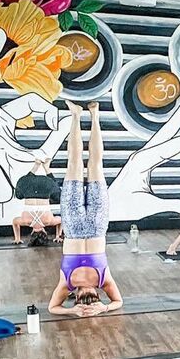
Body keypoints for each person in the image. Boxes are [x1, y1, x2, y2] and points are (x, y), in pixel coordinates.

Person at [48, 102, 123, 317]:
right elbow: (119, 301)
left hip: (73, 226)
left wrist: (73, 313)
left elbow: (52, 308)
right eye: (93, 301)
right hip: (96, 226)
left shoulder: (66, 284)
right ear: (98, 295)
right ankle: (94, 115)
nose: (88, 302)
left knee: (75, 163)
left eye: (84, 303)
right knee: (94, 165)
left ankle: (76, 115)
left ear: (77, 299)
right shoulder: (104, 280)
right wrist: (105, 308)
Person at [12, 159, 62, 245]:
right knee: (19, 194)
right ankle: (36, 166)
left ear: (45, 233)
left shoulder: (49, 221)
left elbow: (61, 220)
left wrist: (58, 235)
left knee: (58, 197)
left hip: (46, 184)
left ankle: (46, 168)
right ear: (31, 233)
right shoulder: (25, 221)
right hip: (29, 185)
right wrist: (17, 238)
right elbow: (14, 222)